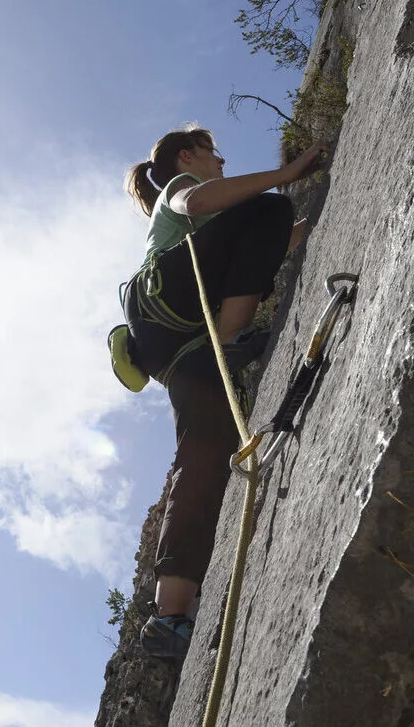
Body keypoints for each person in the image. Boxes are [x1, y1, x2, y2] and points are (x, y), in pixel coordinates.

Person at [122, 125, 327, 659]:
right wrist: (284, 177)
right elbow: (205, 199)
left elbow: (269, 242)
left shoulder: (218, 231)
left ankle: (170, 616)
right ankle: (231, 338)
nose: (221, 159)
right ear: (187, 156)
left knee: (204, 456)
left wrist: (317, 211)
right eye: (213, 152)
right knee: (267, 207)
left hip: (183, 356)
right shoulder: (180, 190)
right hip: (179, 311)